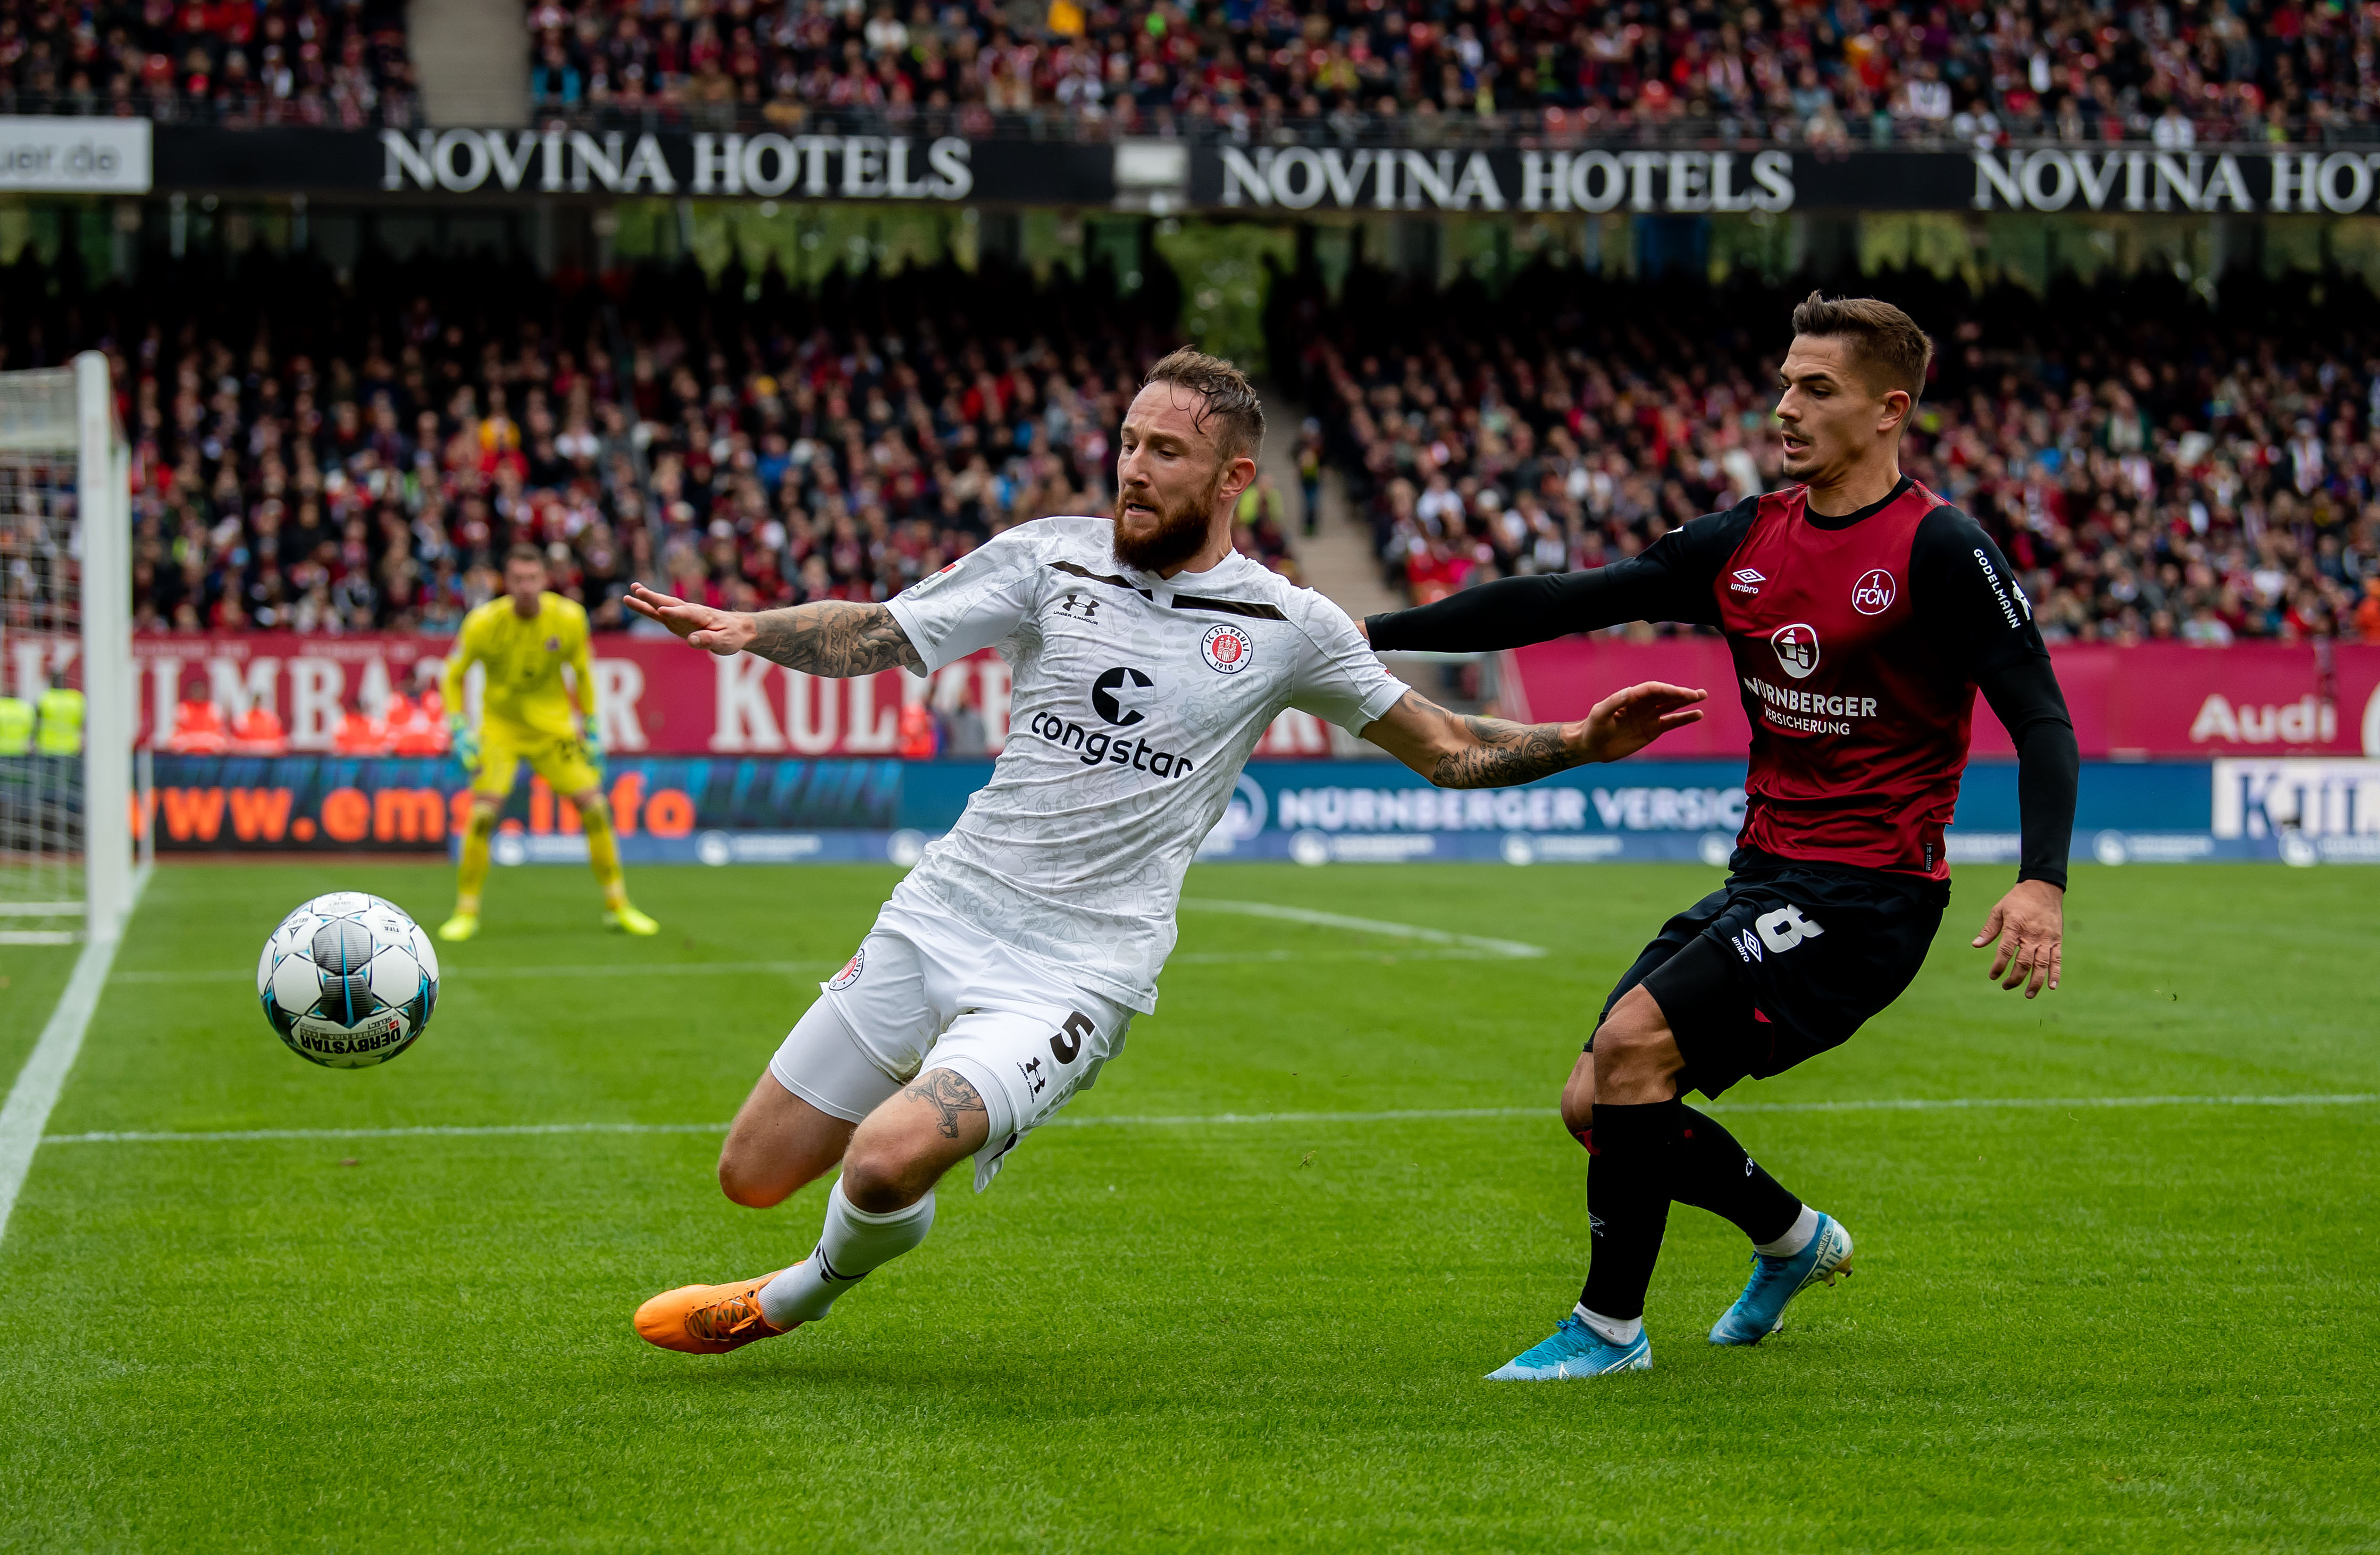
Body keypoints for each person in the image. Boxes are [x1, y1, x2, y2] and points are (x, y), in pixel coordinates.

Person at [623, 347, 1709, 1356]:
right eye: (1129, 445)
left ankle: (791, 1296)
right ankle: (824, 1234)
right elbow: (886, 630)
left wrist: (1579, 741)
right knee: (752, 1172)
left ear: (1233, 475)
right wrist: (754, 629)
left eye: (1166, 452)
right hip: (943, 909)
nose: (1134, 470)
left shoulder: (1290, 624)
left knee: (887, 1156)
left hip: (1075, 970)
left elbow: (1448, 747)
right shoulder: (1048, 557)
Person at [1363, 293, 2081, 1380]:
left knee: (1632, 1049)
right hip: (1767, 879)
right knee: (1593, 1100)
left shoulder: (1941, 548)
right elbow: (1563, 599)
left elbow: (2041, 715)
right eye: (1786, 382)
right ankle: (1795, 1239)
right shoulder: (1749, 537)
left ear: (1891, 410)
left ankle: (1608, 1332)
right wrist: (1355, 632)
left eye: (1817, 388)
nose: (1785, 406)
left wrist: (2041, 883)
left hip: (1870, 898)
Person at [437, 542, 656, 942]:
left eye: (532, 579)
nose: (525, 586)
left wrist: (591, 727)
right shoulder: (483, 622)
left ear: (544, 580)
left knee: (596, 809)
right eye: (518, 579)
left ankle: (618, 905)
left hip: (554, 730)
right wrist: (458, 728)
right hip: (500, 730)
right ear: (507, 582)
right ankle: (465, 911)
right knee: (483, 817)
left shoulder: (569, 618)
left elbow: (584, 673)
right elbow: (452, 675)